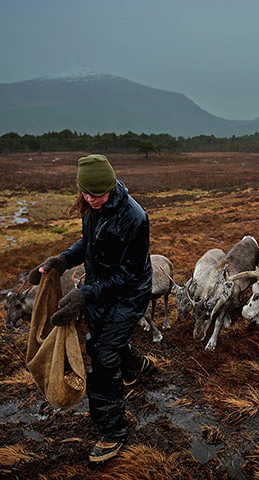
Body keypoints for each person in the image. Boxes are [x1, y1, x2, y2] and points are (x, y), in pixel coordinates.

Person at [28, 154, 155, 464]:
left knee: (102, 354)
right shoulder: (91, 208)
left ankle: (113, 431)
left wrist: (83, 295)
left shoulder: (135, 218)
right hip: (100, 287)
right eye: (86, 193)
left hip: (130, 293)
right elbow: (88, 243)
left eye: (98, 195)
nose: (91, 200)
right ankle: (138, 367)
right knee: (102, 339)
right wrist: (61, 261)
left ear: (111, 187)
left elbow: (127, 276)